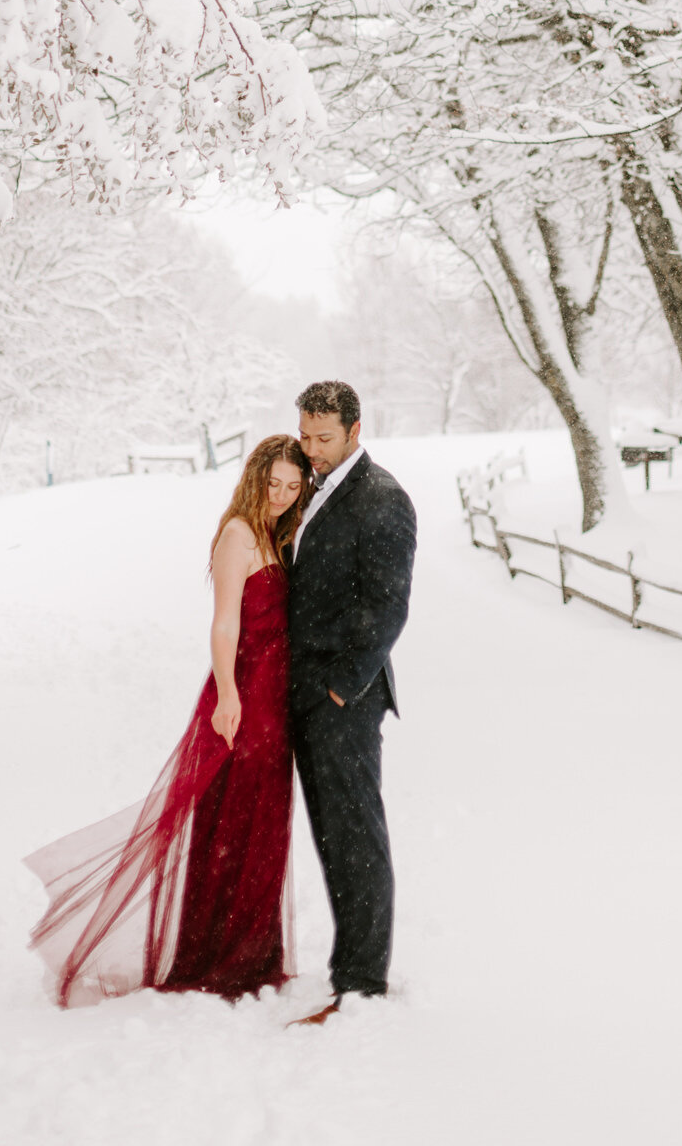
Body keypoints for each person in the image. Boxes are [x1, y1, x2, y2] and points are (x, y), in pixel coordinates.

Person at [25, 434, 310, 1007]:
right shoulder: (237, 535)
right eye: (272, 482)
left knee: (263, 826)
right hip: (242, 697)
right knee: (229, 823)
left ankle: (252, 953)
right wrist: (229, 695)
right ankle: (218, 956)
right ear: (254, 478)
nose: (279, 495)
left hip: (275, 702)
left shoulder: (277, 536)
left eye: (291, 486)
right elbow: (224, 624)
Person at [289, 379, 417, 1021]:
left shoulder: (383, 500)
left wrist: (342, 686)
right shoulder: (308, 486)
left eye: (324, 438)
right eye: (307, 435)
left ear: (355, 432)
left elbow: (388, 607)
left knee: (357, 837)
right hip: (301, 691)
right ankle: (347, 966)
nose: (312, 449)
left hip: (347, 696)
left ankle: (364, 980)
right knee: (329, 836)